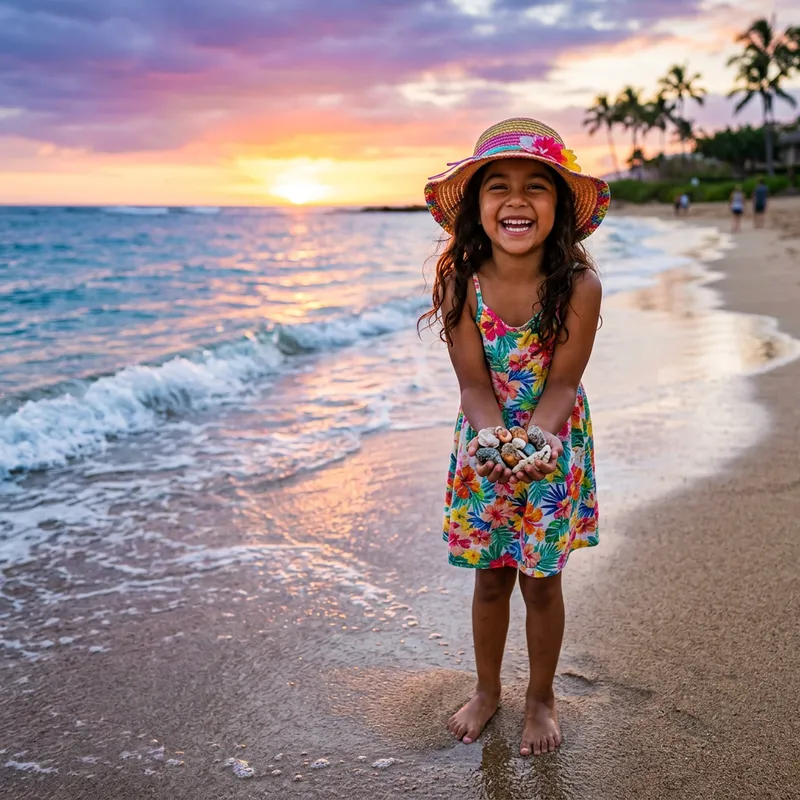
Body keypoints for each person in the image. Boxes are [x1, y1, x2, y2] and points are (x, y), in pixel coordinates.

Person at [419, 118, 606, 756]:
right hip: (483, 444)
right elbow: (473, 386)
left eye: (537, 187)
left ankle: (542, 696)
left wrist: (541, 444)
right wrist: (494, 441)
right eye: (498, 186)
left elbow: (560, 386)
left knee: (541, 579)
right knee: (492, 575)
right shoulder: (459, 283)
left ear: (561, 207)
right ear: (476, 207)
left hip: (554, 444)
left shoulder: (579, 285)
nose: (517, 200)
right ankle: (489, 688)